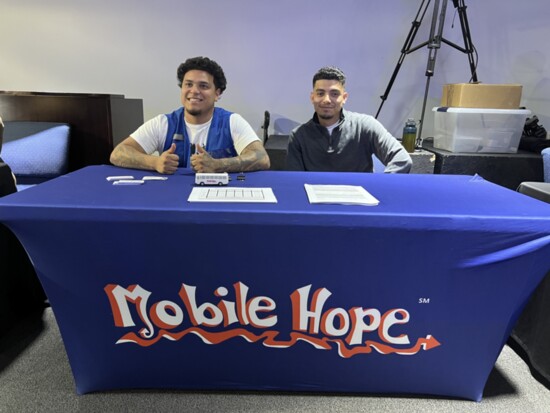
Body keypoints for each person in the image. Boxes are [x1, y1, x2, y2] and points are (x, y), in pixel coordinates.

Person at [110, 57, 270, 174]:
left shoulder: (232, 122)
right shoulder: (163, 123)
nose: (194, 91)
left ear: (217, 93)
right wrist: (155, 162)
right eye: (188, 84)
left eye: (203, 86)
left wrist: (218, 165)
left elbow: (261, 158)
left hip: (218, 201)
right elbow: (118, 153)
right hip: (173, 202)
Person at [286, 66, 412, 173]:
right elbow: (294, 181)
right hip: (315, 200)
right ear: (312, 97)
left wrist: (379, 186)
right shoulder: (298, 136)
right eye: (320, 93)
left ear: (344, 97)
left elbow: (402, 159)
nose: (327, 100)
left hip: (359, 199)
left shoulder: (365, 125)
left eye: (334, 94)